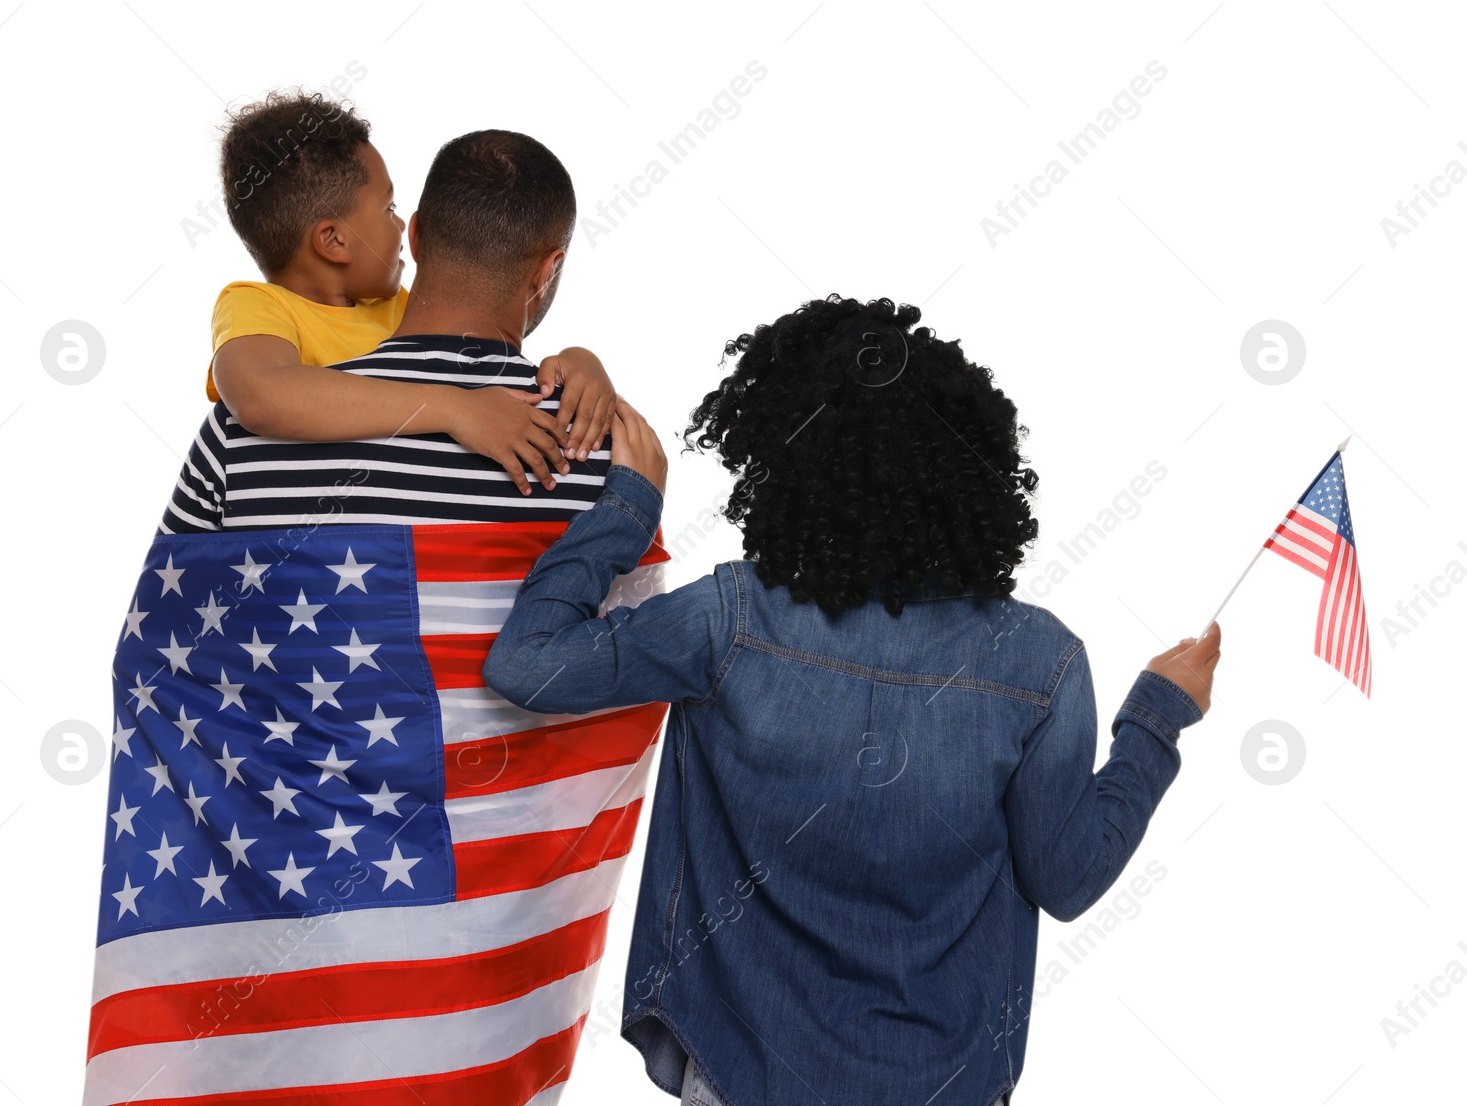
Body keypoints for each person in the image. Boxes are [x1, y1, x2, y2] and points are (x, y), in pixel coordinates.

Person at [483, 294, 1224, 1106]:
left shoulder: (729, 619)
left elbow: (529, 666)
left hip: (741, 1074)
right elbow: (1068, 877)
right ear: (972, 471)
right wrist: (1158, 715)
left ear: (784, 458)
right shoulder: (1040, 663)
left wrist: (626, 507)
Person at [84, 129, 668, 1106]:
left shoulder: (244, 432)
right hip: (469, 1003)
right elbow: (624, 686)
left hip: (271, 989)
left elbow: (155, 663)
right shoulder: (606, 454)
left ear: (420, 240)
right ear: (547, 267)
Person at [202, 88, 617, 494]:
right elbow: (260, 398)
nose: (399, 227)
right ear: (333, 242)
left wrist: (579, 363)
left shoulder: (393, 307)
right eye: (389, 208)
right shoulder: (254, 305)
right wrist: (457, 409)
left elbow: (493, 344)